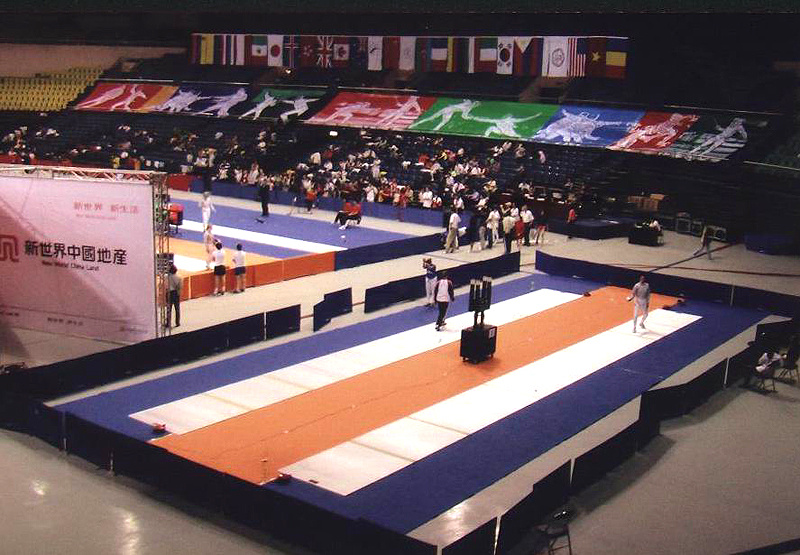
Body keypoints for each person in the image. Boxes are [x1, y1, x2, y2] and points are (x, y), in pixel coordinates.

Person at [166, 264, 182, 328]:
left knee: (168, 309)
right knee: (177, 309)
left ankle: (168, 323)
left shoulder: (166, 277)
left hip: (169, 293)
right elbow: (180, 287)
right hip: (176, 293)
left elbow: (165, 285)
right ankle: (177, 322)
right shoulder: (179, 277)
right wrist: (178, 293)